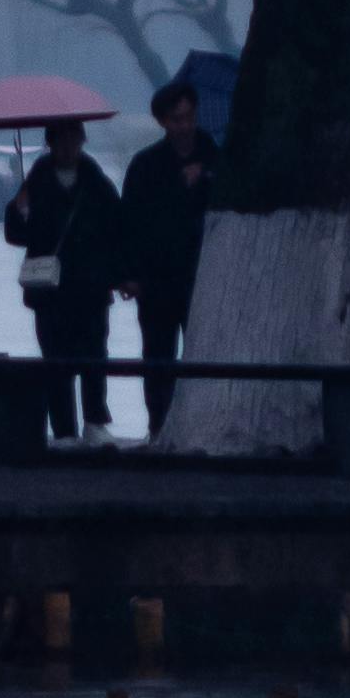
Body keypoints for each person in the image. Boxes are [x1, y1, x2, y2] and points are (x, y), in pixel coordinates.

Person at [3, 120, 125, 443]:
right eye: (61, 140)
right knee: (55, 358)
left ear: (82, 141)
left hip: (91, 286)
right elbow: (15, 234)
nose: (69, 146)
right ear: (50, 143)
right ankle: (64, 430)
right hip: (50, 290)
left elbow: (117, 230)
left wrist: (118, 275)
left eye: (74, 139)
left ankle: (95, 422)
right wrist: (19, 209)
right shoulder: (36, 181)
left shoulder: (97, 182)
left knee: (95, 355)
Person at [115, 74, 216, 431]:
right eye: (177, 119)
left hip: (204, 276)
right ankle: (158, 424)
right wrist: (126, 274)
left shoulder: (216, 158)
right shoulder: (146, 165)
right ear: (162, 121)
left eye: (189, 116)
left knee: (204, 356)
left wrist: (204, 180)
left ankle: (204, 423)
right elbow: (129, 223)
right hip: (156, 278)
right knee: (157, 355)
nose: (185, 125)